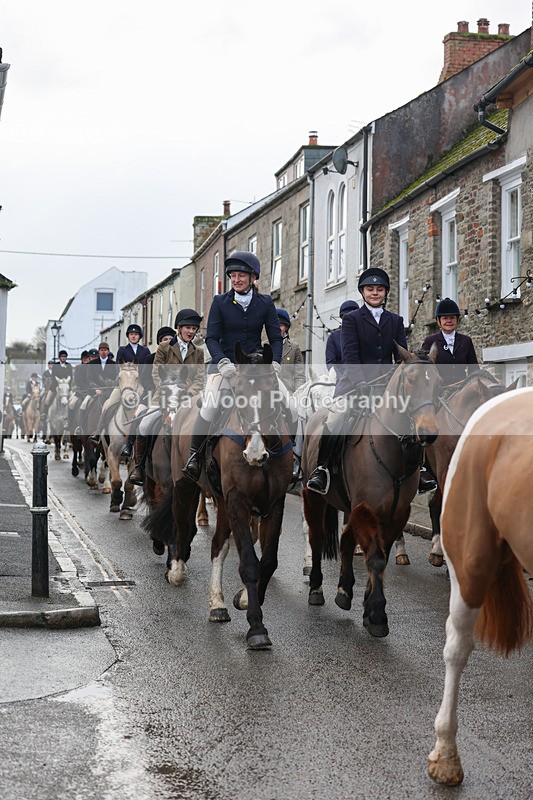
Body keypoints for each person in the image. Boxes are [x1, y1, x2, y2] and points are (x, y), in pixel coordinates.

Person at [182, 250, 285, 482]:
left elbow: (275, 338)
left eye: (242, 275)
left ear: (253, 277)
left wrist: (276, 362)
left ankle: (294, 458)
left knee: (290, 404)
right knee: (209, 406)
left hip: (258, 370)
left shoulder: (266, 303)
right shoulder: (220, 302)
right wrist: (224, 363)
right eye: (233, 276)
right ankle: (194, 456)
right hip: (224, 367)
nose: (237, 279)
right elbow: (211, 338)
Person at [306, 267, 408, 494]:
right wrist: (361, 383)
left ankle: (418, 471)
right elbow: (350, 357)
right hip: (354, 386)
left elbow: (402, 356)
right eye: (370, 289)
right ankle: (322, 469)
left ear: (386, 293)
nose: (375, 293)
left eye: (379, 289)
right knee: (334, 419)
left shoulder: (396, 320)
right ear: (363, 292)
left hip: (387, 388)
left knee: (412, 418)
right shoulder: (352, 320)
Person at [125, 316, 205, 485]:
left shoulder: (199, 351)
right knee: (145, 423)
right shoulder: (163, 348)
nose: (191, 332)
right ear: (179, 328)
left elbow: (199, 378)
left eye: (194, 329)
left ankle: (199, 465)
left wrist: (188, 393)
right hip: (164, 395)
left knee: (203, 424)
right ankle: (139, 467)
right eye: (188, 328)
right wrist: (167, 390)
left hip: (188, 399)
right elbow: (156, 372)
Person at [421, 297, 479, 386]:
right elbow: (422, 368)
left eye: (452, 317)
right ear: (438, 320)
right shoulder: (430, 341)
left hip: (461, 389)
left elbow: (474, 368)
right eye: (445, 318)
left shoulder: (466, 341)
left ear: (457, 319)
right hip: (438, 390)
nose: (449, 321)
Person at [87, 343, 119, 442]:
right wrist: (95, 389)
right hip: (95, 392)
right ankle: (81, 426)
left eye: (105, 350)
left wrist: (111, 388)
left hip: (110, 392)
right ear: (99, 351)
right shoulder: (92, 364)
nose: (104, 352)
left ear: (108, 351)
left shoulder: (114, 364)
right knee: (83, 405)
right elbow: (89, 379)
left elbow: (116, 379)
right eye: (101, 350)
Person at [326, 300, 360, 378]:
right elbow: (331, 363)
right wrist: (341, 378)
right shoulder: (333, 337)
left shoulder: (364, 334)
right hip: (342, 379)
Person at [276, 308, 305, 393]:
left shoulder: (294, 348)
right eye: (275, 325)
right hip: (267, 394)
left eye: (280, 325)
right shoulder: (264, 346)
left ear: (286, 328)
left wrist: (298, 393)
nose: (277, 328)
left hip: (288, 394)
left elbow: (299, 376)